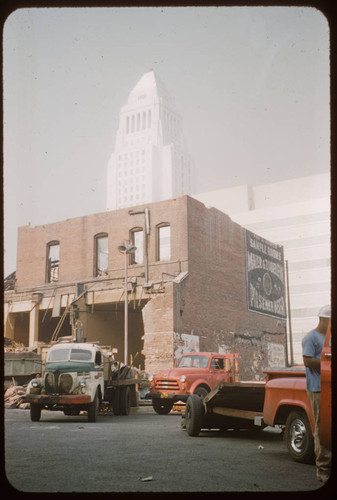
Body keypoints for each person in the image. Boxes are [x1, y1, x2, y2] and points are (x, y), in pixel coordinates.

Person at [302, 304, 331, 483]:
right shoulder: (311, 337)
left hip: (328, 386)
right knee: (322, 427)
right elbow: (307, 360)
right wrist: (327, 365)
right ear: (322, 319)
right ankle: (323, 469)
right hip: (318, 388)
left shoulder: (330, 337)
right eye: (330, 321)